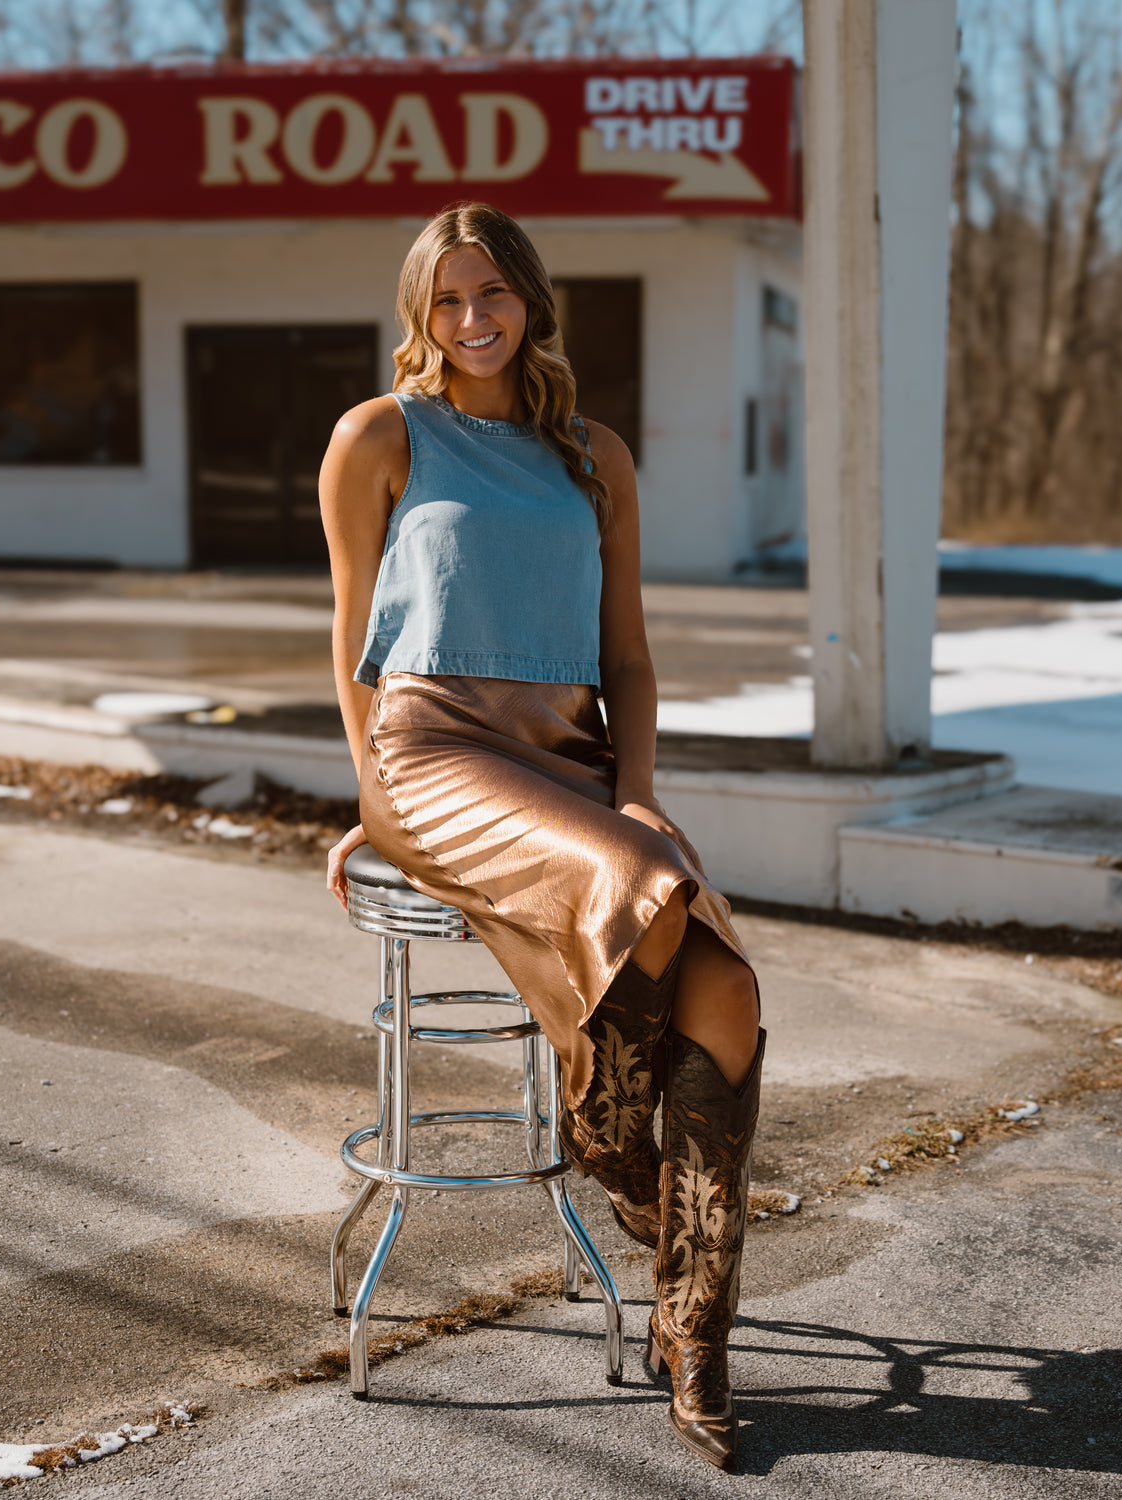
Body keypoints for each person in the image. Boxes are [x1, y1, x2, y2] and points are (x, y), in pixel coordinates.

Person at [320, 202, 764, 1472]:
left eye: (494, 292)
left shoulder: (594, 454)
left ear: (530, 300)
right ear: (421, 310)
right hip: (435, 751)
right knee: (653, 890)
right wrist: (372, 800)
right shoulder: (379, 436)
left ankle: (696, 1328)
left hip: (570, 756)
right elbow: (350, 644)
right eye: (449, 298)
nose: (474, 318)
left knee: (726, 991)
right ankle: (615, 1148)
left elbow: (630, 654)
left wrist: (639, 787)